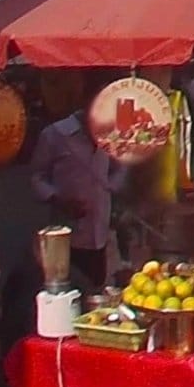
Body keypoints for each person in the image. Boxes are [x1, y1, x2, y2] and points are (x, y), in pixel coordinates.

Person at [29, 101, 127, 289]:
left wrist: (109, 189)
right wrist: (58, 199)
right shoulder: (55, 134)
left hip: (100, 231)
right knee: (67, 288)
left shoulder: (112, 132)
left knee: (96, 285)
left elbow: (121, 167)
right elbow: (36, 177)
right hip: (66, 235)